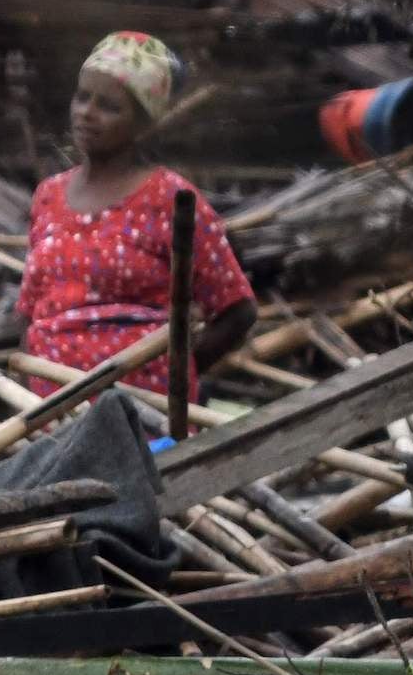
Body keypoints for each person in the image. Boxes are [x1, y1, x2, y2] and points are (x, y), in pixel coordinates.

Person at [18, 30, 255, 403]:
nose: (87, 113)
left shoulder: (169, 198)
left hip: (142, 418)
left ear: (143, 123)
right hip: (52, 415)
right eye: (83, 97)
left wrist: (174, 373)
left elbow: (237, 310)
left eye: (109, 106)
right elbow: (30, 313)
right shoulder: (48, 196)